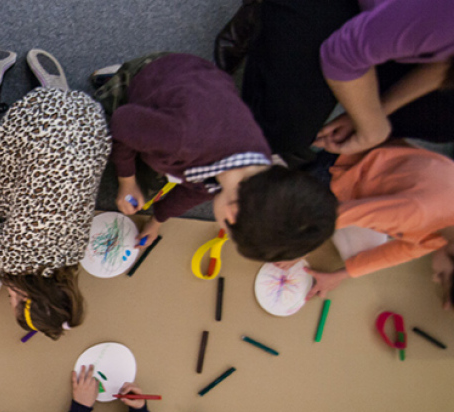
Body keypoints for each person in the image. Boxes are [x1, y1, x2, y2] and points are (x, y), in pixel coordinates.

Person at [91, 52, 334, 248]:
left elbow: (199, 190)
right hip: (153, 77)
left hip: (201, 92)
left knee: (149, 185)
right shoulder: (183, 140)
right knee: (96, 139)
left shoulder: (253, 170)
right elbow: (123, 122)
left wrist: (158, 220)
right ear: (232, 215)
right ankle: (115, 78)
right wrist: (126, 181)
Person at [0, 48, 109, 339]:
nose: (8, 297)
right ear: (25, 295)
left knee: (21, 203)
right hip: (33, 117)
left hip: (88, 120)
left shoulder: (73, 255)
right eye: (12, 300)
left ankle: (56, 93)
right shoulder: (9, 257)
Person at [222, 0, 454, 166]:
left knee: (440, 122)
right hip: (416, 20)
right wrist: (372, 127)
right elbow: (342, 54)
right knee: (283, 133)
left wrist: (374, 111)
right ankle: (263, 14)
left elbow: (445, 65)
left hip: (419, 24)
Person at [229, 144, 454, 299]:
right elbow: (332, 214)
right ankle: (285, 171)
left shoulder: (445, 233)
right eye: (442, 276)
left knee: (365, 254)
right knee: (280, 220)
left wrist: (340, 275)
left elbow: (401, 252)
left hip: (373, 198)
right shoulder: (418, 213)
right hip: (343, 172)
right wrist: (300, 249)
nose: (434, 278)